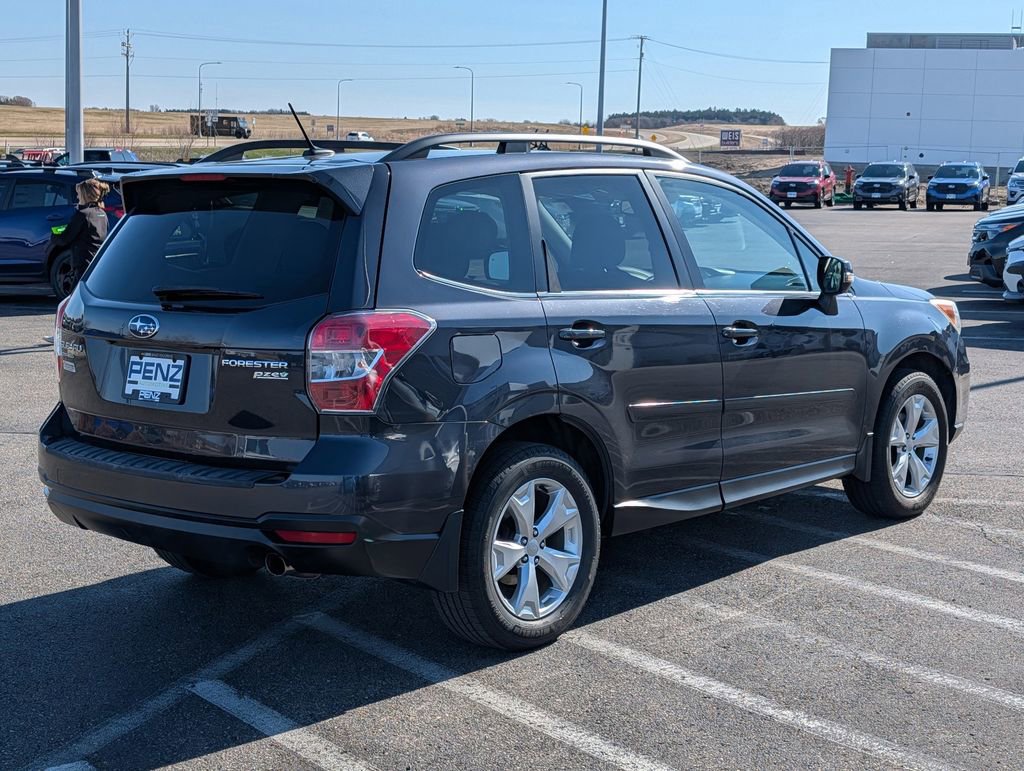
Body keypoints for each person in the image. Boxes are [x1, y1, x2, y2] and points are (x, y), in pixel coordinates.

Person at [48, 177, 110, 287]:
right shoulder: (102, 214)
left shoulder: (83, 214)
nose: (77, 197)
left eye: (79, 194)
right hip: (97, 263)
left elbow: (65, 238)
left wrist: (53, 236)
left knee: (76, 294)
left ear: (85, 195)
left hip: (83, 263)